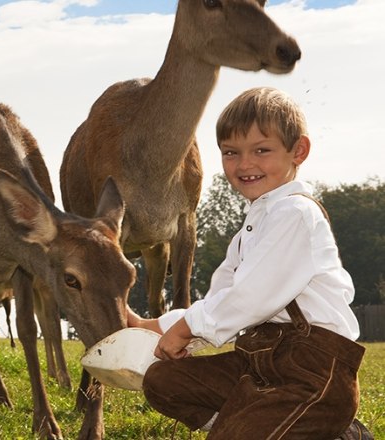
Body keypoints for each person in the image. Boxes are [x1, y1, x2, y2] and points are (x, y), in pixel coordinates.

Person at [127, 87, 373, 439]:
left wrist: (186, 331)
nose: (244, 164)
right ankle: (270, 424)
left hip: (313, 374)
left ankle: (325, 427)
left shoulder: (296, 213)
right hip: (257, 365)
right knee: (163, 380)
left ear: (297, 151)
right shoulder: (251, 228)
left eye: (262, 150)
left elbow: (251, 298)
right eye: (231, 152)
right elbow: (221, 297)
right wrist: (150, 325)